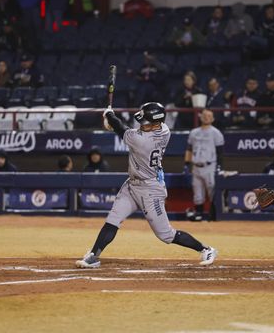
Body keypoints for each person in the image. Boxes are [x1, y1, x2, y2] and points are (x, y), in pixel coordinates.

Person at [76, 102, 217, 268]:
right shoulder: (164, 130)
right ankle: (93, 256)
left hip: (151, 190)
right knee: (113, 220)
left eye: (146, 123)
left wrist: (109, 116)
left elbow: (122, 129)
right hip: (132, 186)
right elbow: (124, 129)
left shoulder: (142, 141)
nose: (142, 125)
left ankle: (206, 249)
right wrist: (112, 122)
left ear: (156, 123)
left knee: (166, 235)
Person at [184, 109, 225, 222]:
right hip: (196, 166)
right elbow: (189, 149)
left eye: (209, 116)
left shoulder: (216, 133)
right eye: (205, 115)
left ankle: (213, 216)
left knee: (212, 192)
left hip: (210, 166)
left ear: (213, 119)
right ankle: (199, 215)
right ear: (200, 117)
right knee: (197, 193)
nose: (206, 117)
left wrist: (219, 166)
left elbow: (220, 152)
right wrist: (186, 164)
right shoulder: (194, 132)